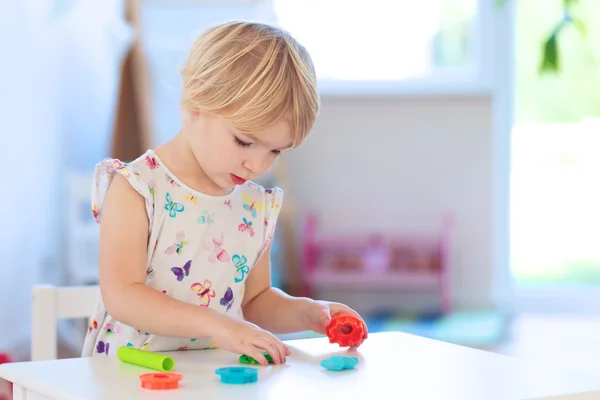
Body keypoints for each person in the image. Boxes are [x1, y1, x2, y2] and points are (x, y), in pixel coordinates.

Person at [82, 20, 367, 365]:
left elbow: (256, 300)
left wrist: (306, 313)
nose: (257, 166)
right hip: (126, 373)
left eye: (275, 151)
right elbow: (122, 296)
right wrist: (217, 325)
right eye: (245, 141)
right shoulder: (137, 188)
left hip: (212, 378)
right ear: (196, 104)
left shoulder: (252, 206)